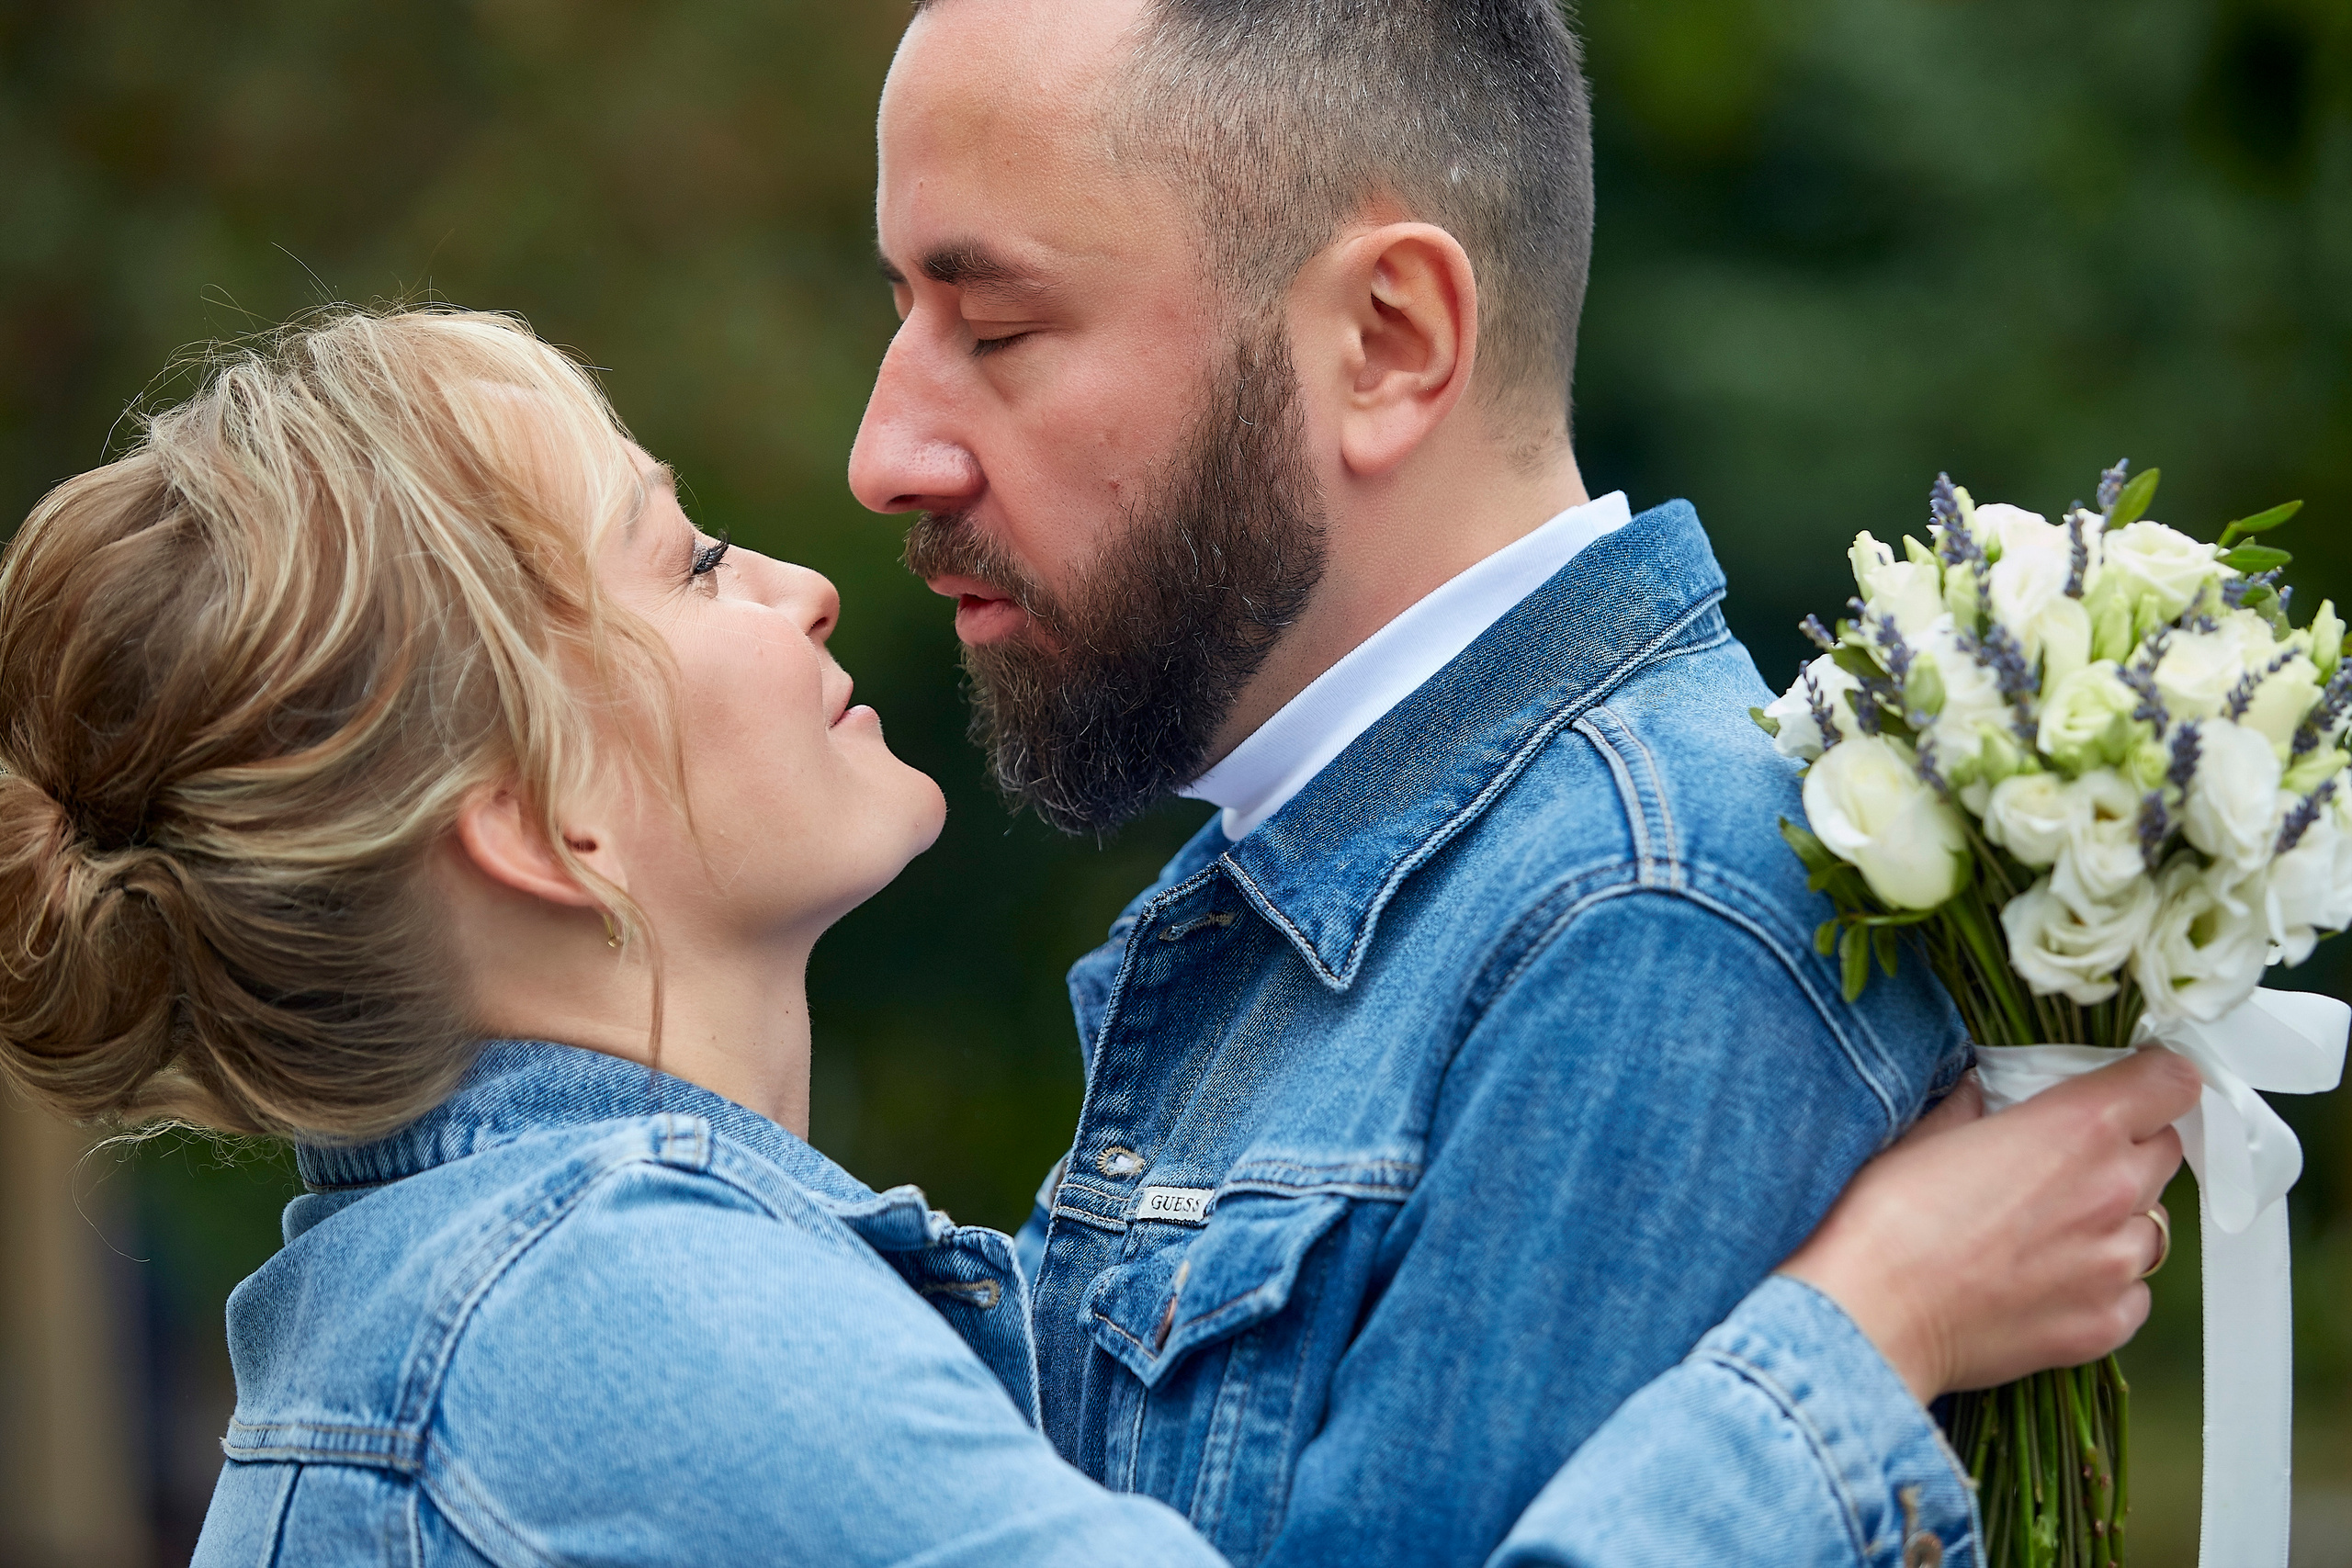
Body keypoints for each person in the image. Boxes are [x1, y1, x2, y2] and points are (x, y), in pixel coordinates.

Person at [0, 310, 2188, 1566]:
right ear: (533, 817)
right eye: (684, 564)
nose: (799, 578)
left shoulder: (509, 1298)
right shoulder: (613, 1320)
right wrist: (1867, 1325)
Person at [845, 4, 2194, 1564]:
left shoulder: (1647, 916)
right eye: (903, 312)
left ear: (1390, 340)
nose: (886, 453)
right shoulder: (1351, 877)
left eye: (995, 329)